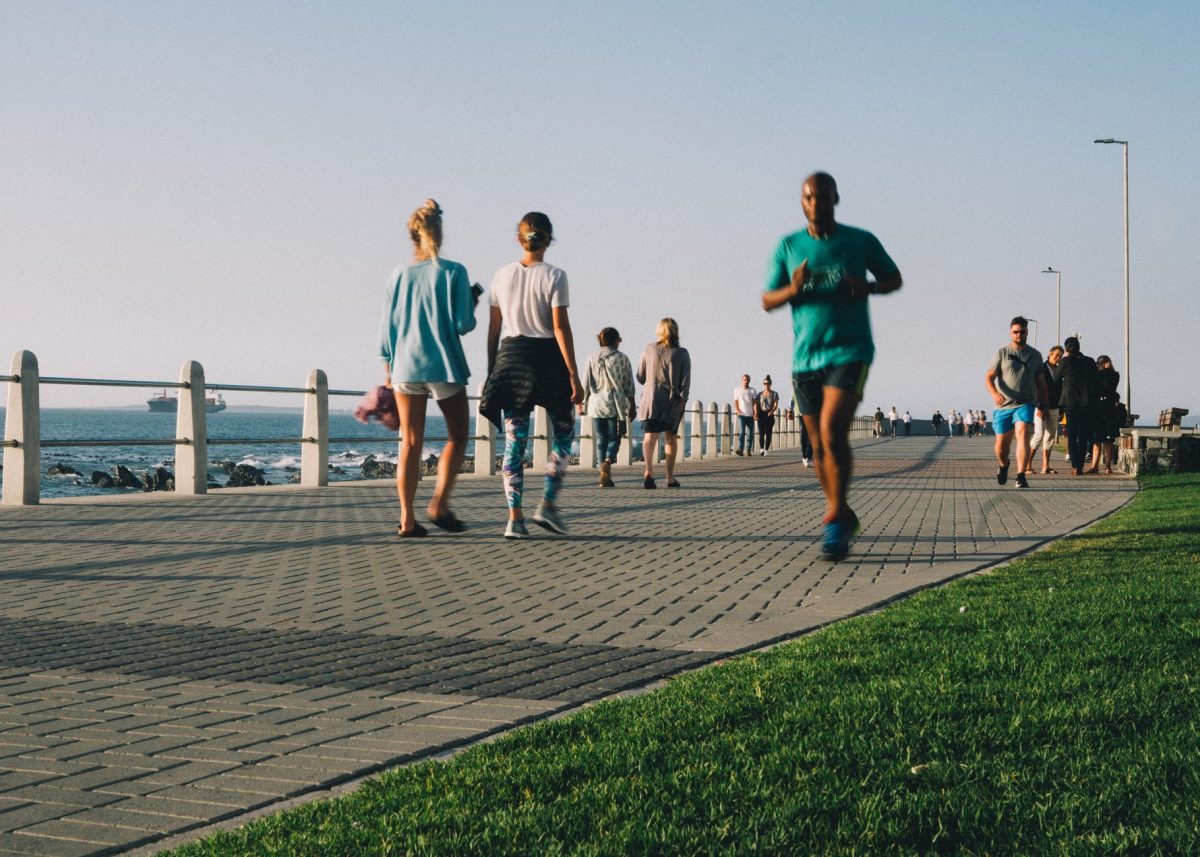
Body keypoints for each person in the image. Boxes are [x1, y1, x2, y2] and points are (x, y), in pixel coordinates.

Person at [762, 171, 902, 560]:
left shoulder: (860, 240)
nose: (816, 203)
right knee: (820, 444)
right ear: (801, 202)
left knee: (831, 431)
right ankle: (840, 511)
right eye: (809, 197)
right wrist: (794, 286)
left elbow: (893, 277)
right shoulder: (788, 246)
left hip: (850, 351)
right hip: (805, 358)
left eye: (823, 196)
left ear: (836, 198)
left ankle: (834, 524)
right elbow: (767, 299)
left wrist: (868, 286)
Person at [379, 199, 478, 538]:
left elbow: (387, 327)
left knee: (409, 442)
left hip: (405, 365)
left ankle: (407, 519)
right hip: (444, 364)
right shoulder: (454, 272)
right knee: (458, 435)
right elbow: (464, 324)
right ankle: (439, 502)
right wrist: (470, 300)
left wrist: (387, 366)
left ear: (413, 235)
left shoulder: (398, 275)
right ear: (440, 233)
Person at [480, 212, 581, 539]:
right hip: (548, 361)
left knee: (514, 443)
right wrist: (574, 375)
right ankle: (548, 504)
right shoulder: (556, 275)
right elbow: (559, 327)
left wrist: (491, 370)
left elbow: (494, 328)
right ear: (549, 239)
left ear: (519, 237)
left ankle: (515, 519)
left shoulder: (501, 275)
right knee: (564, 434)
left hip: (511, 361)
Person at [985, 316, 1048, 489]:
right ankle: (1004, 465)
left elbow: (1041, 383)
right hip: (1003, 406)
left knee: (1022, 433)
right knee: (1001, 447)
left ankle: (1021, 475)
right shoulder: (1002, 353)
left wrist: (1044, 404)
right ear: (1010, 332)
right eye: (1015, 332)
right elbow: (989, 378)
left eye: (1022, 331)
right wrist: (995, 393)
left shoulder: (1035, 355)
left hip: (1025, 403)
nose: (1019, 335)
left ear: (1027, 332)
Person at [637, 318, 691, 488]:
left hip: (651, 397)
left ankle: (648, 471)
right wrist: (683, 399)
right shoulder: (681, 352)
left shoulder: (649, 348)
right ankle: (669, 477)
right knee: (670, 438)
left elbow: (640, 375)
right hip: (671, 399)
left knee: (649, 437)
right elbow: (685, 380)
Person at [580, 327, 636, 488]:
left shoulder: (591, 357)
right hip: (615, 405)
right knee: (615, 438)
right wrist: (631, 405)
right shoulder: (622, 358)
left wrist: (582, 402)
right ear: (616, 340)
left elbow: (585, 382)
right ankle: (607, 462)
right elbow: (628, 383)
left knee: (601, 439)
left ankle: (602, 475)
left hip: (596, 405)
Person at [1058, 336, 1097, 476]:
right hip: (1087, 403)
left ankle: (1075, 466)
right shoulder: (1090, 361)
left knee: (1072, 434)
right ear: (1079, 347)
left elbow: (1056, 377)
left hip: (1070, 403)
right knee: (1083, 435)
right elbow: (1096, 380)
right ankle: (1080, 466)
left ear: (1067, 349)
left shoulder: (1065, 361)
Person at [1029, 345, 1064, 474]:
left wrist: (1061, 410)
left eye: (1060, 356)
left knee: (1050, 436)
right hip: (1041, 407)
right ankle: (1027, 464)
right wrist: (1039, 406)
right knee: (1039, 434)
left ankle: (1046, 466)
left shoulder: (1060, 371)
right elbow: (1036, 388)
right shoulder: (1041, 369)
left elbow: (1062, 390)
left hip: (1055, 407)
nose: (1058, 358)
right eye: (1056, 355)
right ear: (1050, 354)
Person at [1089, 355, 1121, 474]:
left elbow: (1108, 383)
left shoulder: (1112, 374)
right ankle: (1096, 466)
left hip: (1105, 408)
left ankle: (1105, 466)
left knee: (1106, 440)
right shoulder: (1106, 374)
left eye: (1102, 363)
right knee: (1098, 440)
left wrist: (1104, 369)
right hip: (1103, 408)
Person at [733, 374, 757, 455]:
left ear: (749, 381)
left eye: (747, 380)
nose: (746, 381)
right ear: (742, 380)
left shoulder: (752, 390)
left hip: (750, 415)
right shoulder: (737, 390)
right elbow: (735, 401)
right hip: (741, 415)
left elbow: (754, 403)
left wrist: (755, 413)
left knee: (750, 434)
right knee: (742, 433)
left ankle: (748, 450)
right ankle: (740, 450)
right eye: (744, 379)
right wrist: (737, 410)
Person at [757, 376, 780, 455]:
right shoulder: (760, 394)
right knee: (761, 433)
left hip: (769, 414)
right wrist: (756, 413)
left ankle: (766, 449)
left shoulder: (774, 394)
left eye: (767, 383)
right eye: (764, 383)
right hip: (761, 414)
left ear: (770, 384)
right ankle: (761, 449)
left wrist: (772, 411)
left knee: (768, 433)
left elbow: (776, 404)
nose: (766, 385)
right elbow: (757, 404)